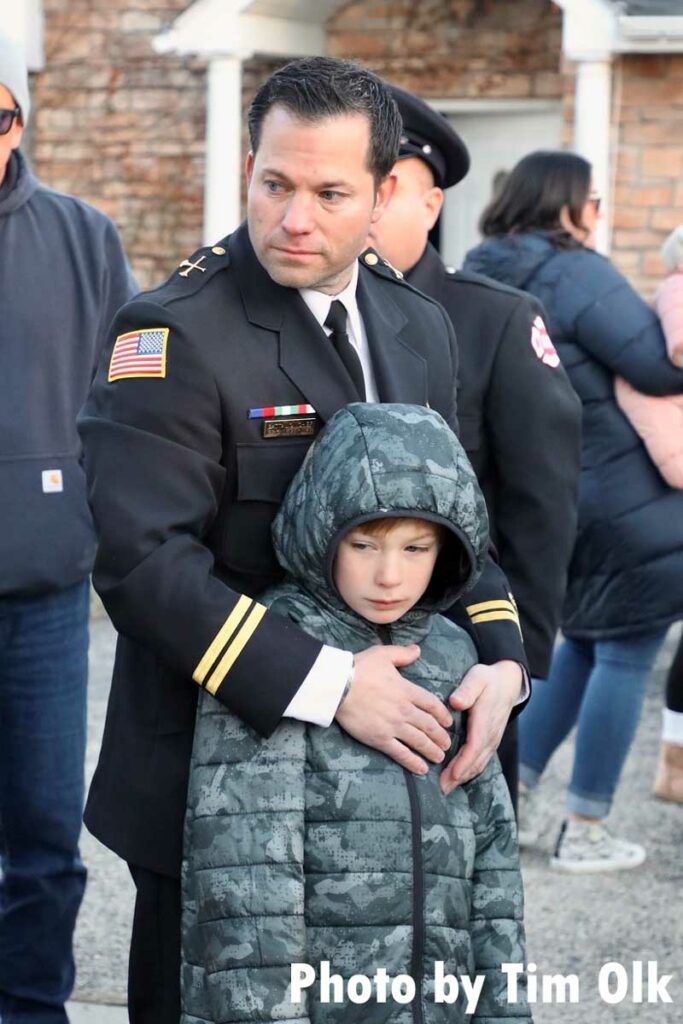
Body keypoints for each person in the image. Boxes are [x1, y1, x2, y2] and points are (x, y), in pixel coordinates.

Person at [79, 58, 529, 1022]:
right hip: (226, 788)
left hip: (396, 803)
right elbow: (142, 561)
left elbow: (454, 521)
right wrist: (331, 682)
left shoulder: (418, 325)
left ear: (383, 194)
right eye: (274, 183)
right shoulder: (172, 333)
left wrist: (501, 660)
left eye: (329, 192)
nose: (294, 218)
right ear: (249, 166)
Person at [181, 402, 531, 1024]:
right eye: (363, 543)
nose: (389, 574)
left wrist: (504, 1009)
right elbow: (249, 878)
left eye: (417, 547)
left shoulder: (456, 654)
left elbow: (497, 870)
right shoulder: (279, 649)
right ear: (322, 534)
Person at [465, 149, 683, 871]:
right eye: (592, 201)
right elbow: (656, 361)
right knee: (626, 650)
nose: (596, 215)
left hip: (547, 492)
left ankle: (513, 797)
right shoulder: (576, 268)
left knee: (582, 643)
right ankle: (584, 827)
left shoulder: (479, 268)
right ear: (564, 203)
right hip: (623, 492)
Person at [367, 85, 582, 805]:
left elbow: (539, 506)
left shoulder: (492, 320)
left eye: (387, 185)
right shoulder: (300, 315)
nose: (364, 203)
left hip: (463, 658)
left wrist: (512, 666)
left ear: (430, 206)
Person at [0, 33, 136, 1024]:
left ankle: (32, 1005)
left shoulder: (83, 237)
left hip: (45, 597)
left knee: (46, 833)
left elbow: (130, 395)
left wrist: (92, 515)